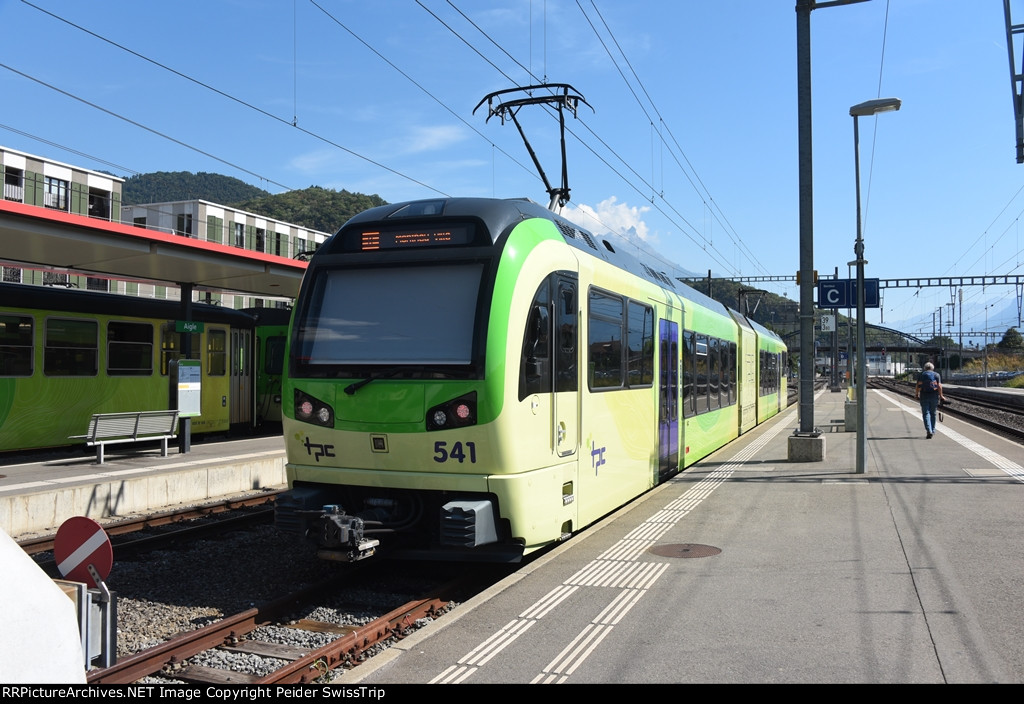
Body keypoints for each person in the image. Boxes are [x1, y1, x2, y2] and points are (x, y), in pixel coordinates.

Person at [915, 362, 947, 439]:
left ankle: (928, 430)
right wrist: (941, 395)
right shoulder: (936, 375)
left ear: (925, 368)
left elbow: (918, 385)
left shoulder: (922, 375)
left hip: (924, 395)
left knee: (926, 414)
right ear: (932, 368)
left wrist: (917, 394)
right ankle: (932, 430)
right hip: (934, 396)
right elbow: (939, 386)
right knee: (933, 413)